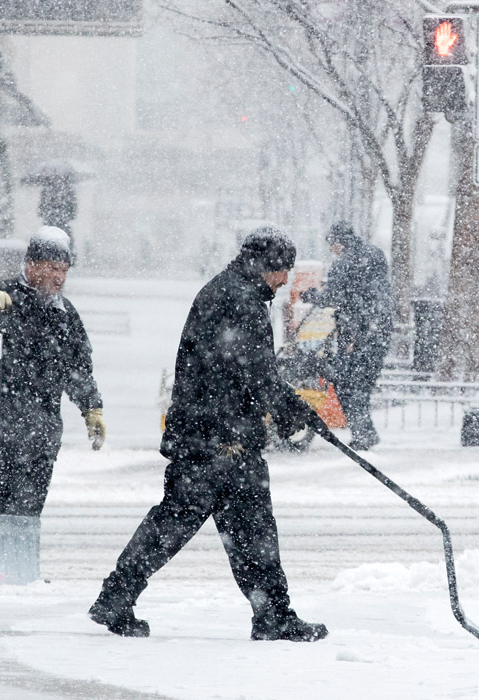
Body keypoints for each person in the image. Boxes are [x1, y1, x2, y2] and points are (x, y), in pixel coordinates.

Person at [89, 228, 327, 642]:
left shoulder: (227, 290)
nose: (285, 280)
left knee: (225, 526)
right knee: (221, 526)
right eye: (283, 270)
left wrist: (287, 413)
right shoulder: (242, 301)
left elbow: (243, 371)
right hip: (220, 438)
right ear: (266, 266)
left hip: (211, 433)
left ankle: (269, 614)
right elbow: (258, 373)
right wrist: (294, 412)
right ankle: (270, 614)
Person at [0, 226, 106, 517]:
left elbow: (78, 369)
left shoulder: (64, 315)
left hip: (42, 437)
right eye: (53, 268)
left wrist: (91, 407)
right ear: (32, 265)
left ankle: (18, 562)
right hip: (2, 432)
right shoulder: (0, 300)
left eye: (64, 270)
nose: (59, 277)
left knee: (28, 519)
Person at [302, 221, 392, 450]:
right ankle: (365, 432)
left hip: (356, 333)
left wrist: (312, 295)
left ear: (338, 242)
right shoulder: (374, 254)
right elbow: (368, 290)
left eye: (331, 244)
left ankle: (364, 434)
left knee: (347, 383)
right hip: (378, 330)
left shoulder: (344, 262)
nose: (331, 250)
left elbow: (334, 295)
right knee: (361, 384)